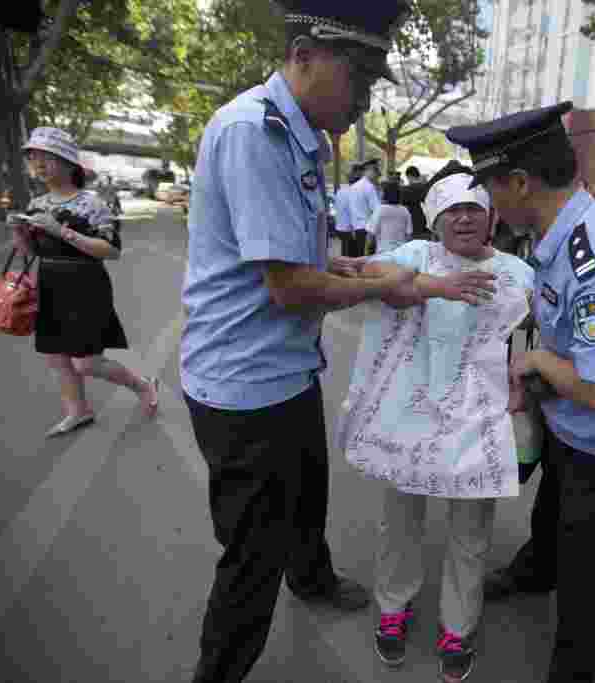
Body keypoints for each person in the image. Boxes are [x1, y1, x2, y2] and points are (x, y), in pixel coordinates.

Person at [177, 2, 424, 681]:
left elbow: (298, 253)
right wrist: (381, 286)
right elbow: (286, 285)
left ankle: (311, 576)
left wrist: (349, 266)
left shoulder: (301, 132)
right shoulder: (253, 132)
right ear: (306, 54)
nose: (365, 99)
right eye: (360, 79)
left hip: (286, 370)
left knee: (308, 487)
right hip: (243, 383)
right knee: (253, 550)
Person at [448, 102, 595, 683]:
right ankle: (532, 572)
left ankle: (573, 669)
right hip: (570, 430)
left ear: (520, 183)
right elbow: (563, 329)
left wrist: (536, 361)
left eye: (491, 189)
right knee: (551, 524)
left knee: (583, 588)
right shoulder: (558, 237)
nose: (490, 207)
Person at [342, 161, 532, 681]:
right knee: (400, 523)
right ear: (433, 218)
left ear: (492, 217)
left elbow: (536, 332)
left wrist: (522, 379)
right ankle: (393, 609)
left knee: (470, 532)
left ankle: (458, 626)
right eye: (452, 209)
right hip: (407, 416)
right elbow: (363, 275)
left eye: (474, 207)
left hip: (478, 420)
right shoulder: (414, 256)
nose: (464, 218)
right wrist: (432, 285)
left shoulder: (516, 272)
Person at [9, 127, 158, 438]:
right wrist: (19, 233)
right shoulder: (36, 203)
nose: (38, 164)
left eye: (46, 158)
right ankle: (78, 411)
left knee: (86, 363)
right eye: (34, 157)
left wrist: (60, 230)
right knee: (56, 357)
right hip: (49, 283)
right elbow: (30, 253)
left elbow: (111, 250)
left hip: (85, 286)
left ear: (67, 163)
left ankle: (142, 385)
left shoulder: (93, 204)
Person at [368, 179, 411, 254]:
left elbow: (371, 233)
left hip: (384, 252)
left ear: (385, 193)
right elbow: (409, 235)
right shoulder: (405, 210)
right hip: (401, 252)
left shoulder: (380, 210)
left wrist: (370, 247)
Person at [350, 158, 381, 257]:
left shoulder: (354, 187)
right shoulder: (369, 187)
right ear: (368, 170)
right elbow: (377, 210)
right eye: (376, 170)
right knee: (367, 260)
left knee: (359, 258)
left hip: (356, 227)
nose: (377, 174)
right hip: (367, 229)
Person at [401, 165, 430, 240]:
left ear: (409, 176)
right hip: (427, 227)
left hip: (412, 227)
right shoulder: (428, 188)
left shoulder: (405, 190)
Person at [334, 169, 357, 254]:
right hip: (350, 228)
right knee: (352, 252)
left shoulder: (340, 191)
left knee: (344, 249)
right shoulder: (354, 192)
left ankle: (344, 264)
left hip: (339, 227)